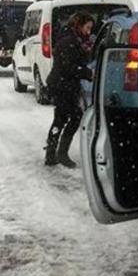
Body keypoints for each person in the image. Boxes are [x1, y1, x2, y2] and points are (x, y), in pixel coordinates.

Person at [44, 13, 95, 168]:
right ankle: (60, 153)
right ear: (79, 25)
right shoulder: (69, 42)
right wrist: (87, 73)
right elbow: (69, 67)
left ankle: (52, 153)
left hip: (65, 85)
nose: (89, 32)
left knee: (61, 118)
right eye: (87, 28)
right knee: (74, 117)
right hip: (62, 85)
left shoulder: (75, 39)